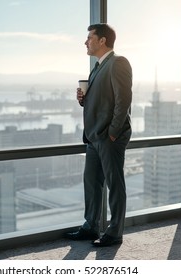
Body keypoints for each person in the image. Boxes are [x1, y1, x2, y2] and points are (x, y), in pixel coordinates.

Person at [65, 23, 132, 247]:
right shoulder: (97, 67)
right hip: (94, 136)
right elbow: (103, 100)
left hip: (108, 137)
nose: (86, 42)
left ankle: (115, 233)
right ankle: (90, 226)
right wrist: (84, 99)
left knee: (115, 183)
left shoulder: (118, 63)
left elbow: (123, 102)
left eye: (89, 38)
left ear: (102, 40)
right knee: (92, 183)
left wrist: (113, 133)